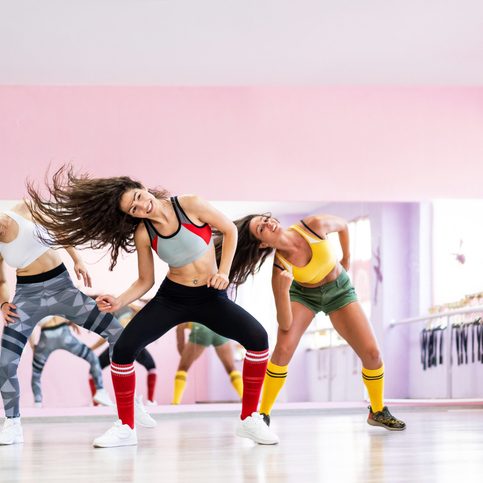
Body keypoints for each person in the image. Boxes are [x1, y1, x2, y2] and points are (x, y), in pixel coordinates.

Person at [27, 166, 279, 447]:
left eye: (138, 196)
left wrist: (223, 272)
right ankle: (125, 427)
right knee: (122, 351)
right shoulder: (144, 233)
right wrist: (120, 300)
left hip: (210, 297)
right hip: (173, 298)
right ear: (131, 215)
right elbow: (145, 280)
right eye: (133, 209)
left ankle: (249, 420)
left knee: (258, 340)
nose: (140, 206)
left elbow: (230, 230)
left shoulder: (189, 204)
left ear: (143, 187)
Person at [227, 213, 406, 431]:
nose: (268, 223)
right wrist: (283, 292)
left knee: (373, 354)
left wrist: (346, 258)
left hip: (339, 291)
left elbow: (342, 225)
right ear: (263, 243)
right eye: (261, 228)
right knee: (282, 350)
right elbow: (285, 324)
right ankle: (262, 414)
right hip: (304, 295)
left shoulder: (313, 225)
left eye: (265, 219)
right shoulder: (279, 270)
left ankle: (377, 411)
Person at [0, 200, 124, 446]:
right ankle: (12, 422)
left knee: (118, 332)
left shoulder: (23, 208)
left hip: (62, 289)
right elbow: (2, 281)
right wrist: (4, 304)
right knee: (5, 362)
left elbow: (59, 230)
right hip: (27, 297)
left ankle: (126, 412)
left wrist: (77, 259)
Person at [30, 315, 113, 408]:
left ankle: (38, 402)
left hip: (47, 336)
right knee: (92, 357)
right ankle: (100, 390)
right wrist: (70, 322)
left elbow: (29, 325)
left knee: (36, 372)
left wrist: (33, 344)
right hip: (63, 332)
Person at [91, 303, 158, 407]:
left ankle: (149, 401)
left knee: (150, 368)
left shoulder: (128, 312)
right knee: (151, 368)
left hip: (128, 344)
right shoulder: (116, 316)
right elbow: (104, 336)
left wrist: (128, 303)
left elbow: (144, 313)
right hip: (129, 345)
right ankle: (149, 401)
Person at [172, 322, 243, 404]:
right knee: (231, 368)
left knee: (183, 368)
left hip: (201, 329)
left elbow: (180, 327)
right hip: (219, 329)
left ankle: (175, 402)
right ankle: (244, 397)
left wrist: (183, 353)